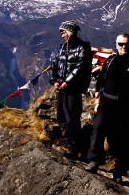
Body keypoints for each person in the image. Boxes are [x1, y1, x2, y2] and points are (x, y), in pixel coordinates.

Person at [85, 33, 129, 182]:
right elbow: (100, 82)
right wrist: (97, 101)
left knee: (121, 138)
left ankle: (118, 171)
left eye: (126, 44)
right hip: (106, 102)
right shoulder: (110, 60)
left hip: (125, 106)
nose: (123, 47)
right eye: (121, 44)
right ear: (116, 45)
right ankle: (94, 160)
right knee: (98, 129)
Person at [49, 20, 92, 159]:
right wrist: (54, 81)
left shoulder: (82, 48)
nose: (62, 35)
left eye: (64, 32)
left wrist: (68, 81)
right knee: (62, 116)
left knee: (72, 117)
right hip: (61, 88)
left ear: (70, 32)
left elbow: (80, 67)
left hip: (73, 89)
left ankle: (72, 147)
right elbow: (54, 65)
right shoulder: (60, 48)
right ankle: (67, 143)